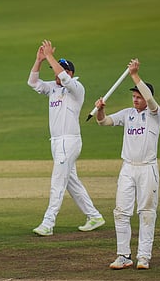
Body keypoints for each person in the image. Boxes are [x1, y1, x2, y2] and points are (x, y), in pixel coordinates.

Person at [27, 40, 105, 236]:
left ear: (70, 73)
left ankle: (48, 223)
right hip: (56, 142)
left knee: (57, 182)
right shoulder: (53, 87)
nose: (56, 74)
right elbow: (33, 82)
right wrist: (39, 60)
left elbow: (62, 75)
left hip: (69, 141)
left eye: (61, 70)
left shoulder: (77, 88)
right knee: (71, 181)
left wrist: (49, 56)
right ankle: (94, 216)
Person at [94, 59, 160, 270]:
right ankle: (123, 256)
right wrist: (101, 110)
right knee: (121, 212)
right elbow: (103, 122)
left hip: (147, 168)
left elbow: (150, 99)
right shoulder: (127, 114)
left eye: (138, 97)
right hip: (128, 168)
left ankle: (143, 257)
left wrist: (134, 74)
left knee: (146, 212)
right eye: (133, 96)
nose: (135, 100)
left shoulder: (155, 114)